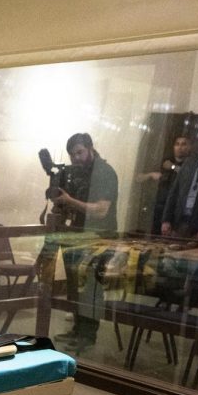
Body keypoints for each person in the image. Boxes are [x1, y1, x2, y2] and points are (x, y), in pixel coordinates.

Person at [45, 132, 119, 352]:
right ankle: (77, 329)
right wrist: (62, 203)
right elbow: (75, 203)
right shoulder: (76, 173)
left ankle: (88, 334)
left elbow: (100, 209)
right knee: (75, 286)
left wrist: (70, 201)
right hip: (75, 234)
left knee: (91, 287)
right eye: (72, 154)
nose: (76, 158)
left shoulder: (105, 173)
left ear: (90, 148)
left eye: (79, 152)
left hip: (98, 237)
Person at [138, 134, 191, 234]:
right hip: (156, 208)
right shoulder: (164, 162)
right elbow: (139, 177)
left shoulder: (190, 164)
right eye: (177, 144)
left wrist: (172, 167)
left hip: (174, 212)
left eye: (184, 144)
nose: (180, 147)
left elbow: (188, 176)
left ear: (189, 147)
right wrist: (151, 175)